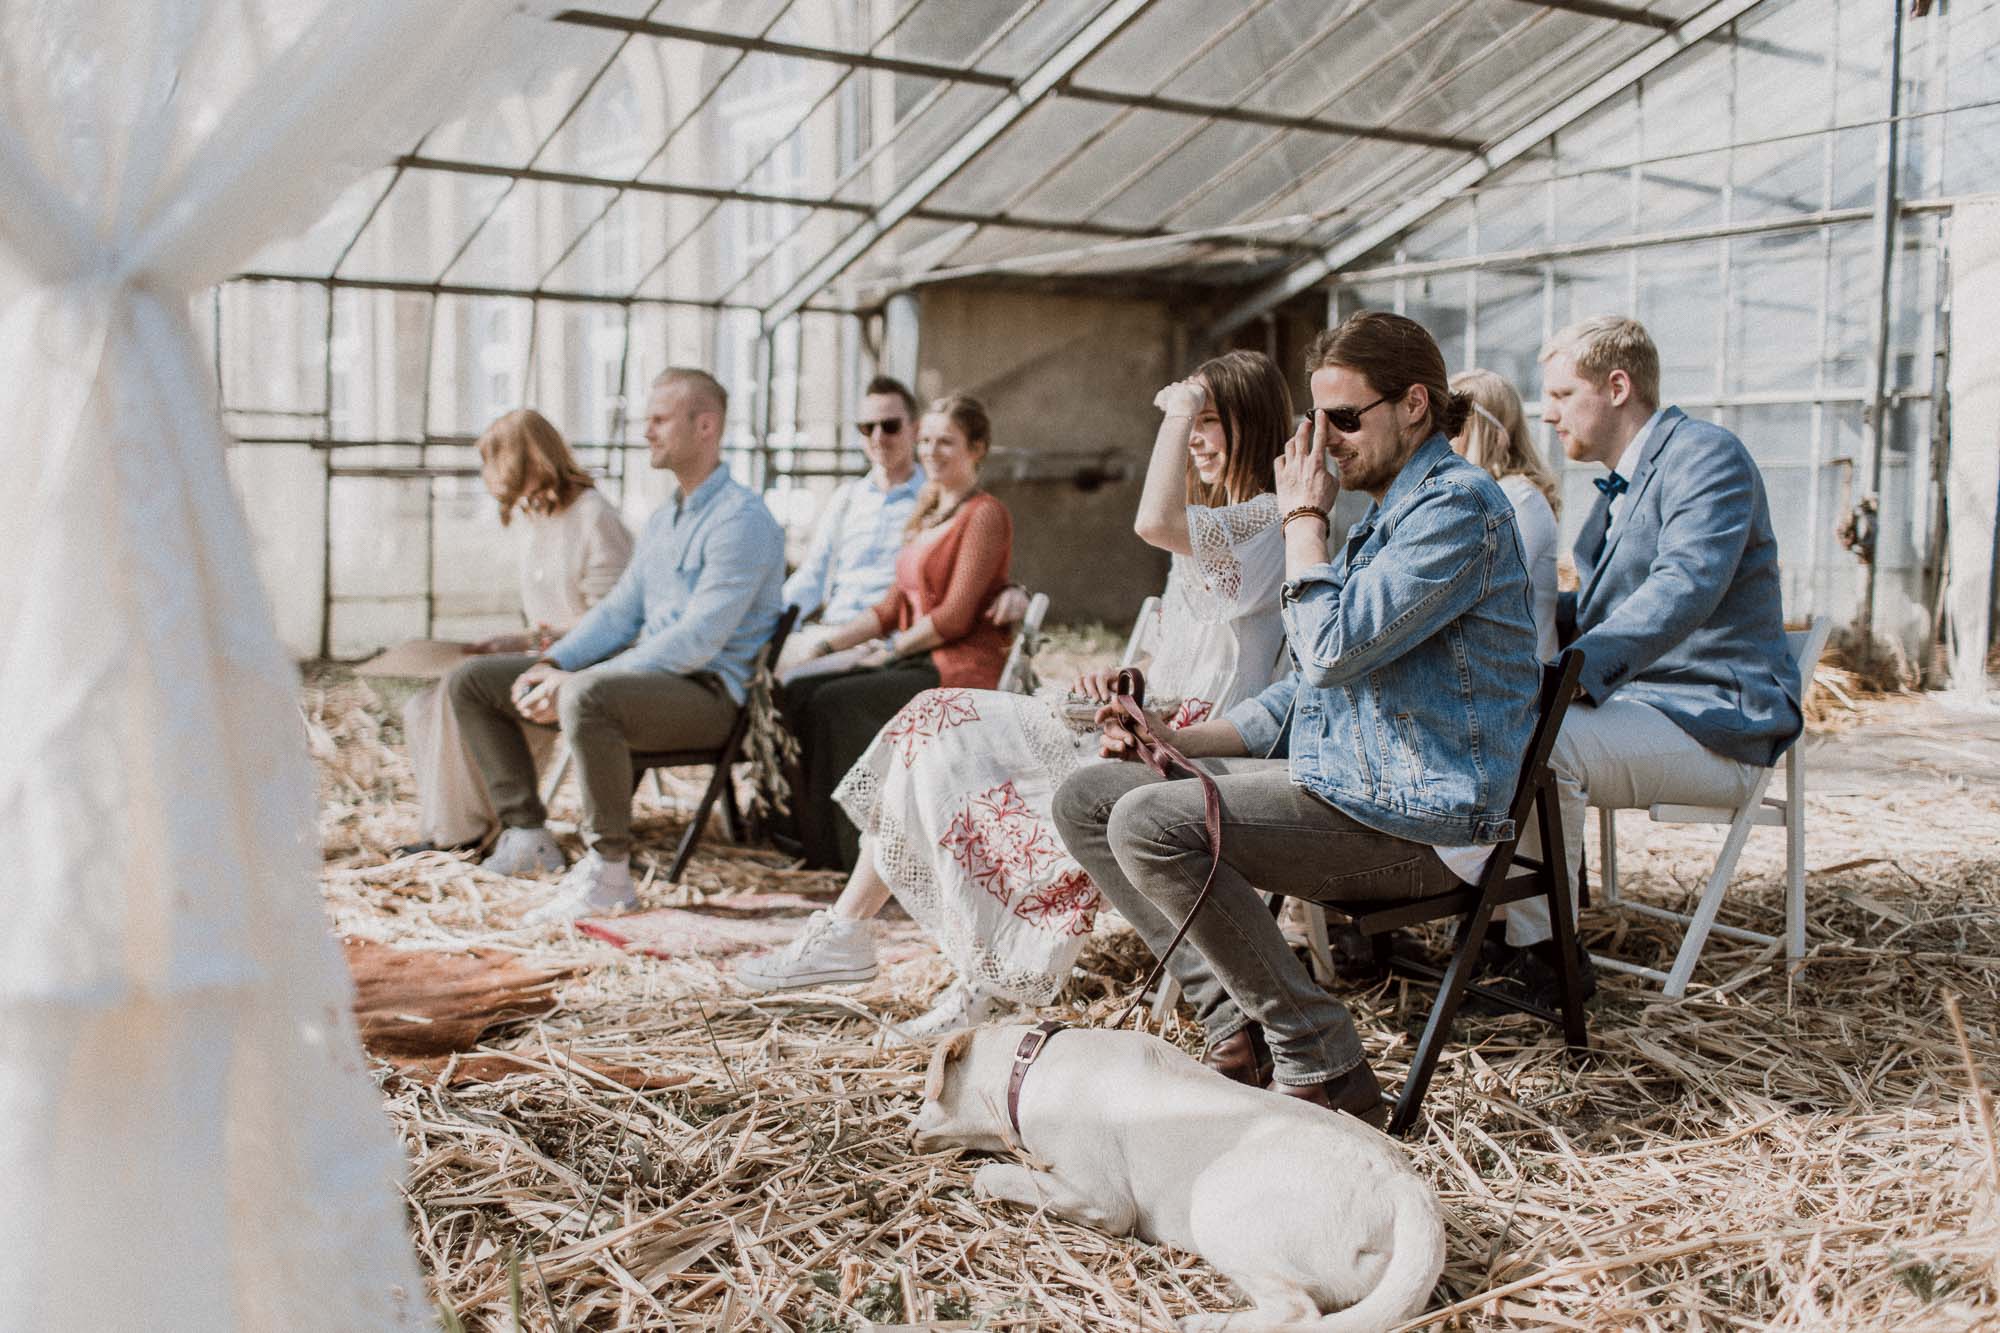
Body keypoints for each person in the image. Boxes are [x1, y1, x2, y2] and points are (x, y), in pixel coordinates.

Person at [1048, 312, 1541, 1124]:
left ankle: (1320, 1053)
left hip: (1420, 816)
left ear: (1415, 404)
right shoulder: (1390, 515)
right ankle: (1237, 1018)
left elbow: (1333, 647)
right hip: (1351, 780)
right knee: (1091, 797)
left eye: (1345, 420)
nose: (1326, 443)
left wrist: (1302, 521)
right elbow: (1302, 692)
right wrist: (1177, 740)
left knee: (1149, 824)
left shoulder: (1458, 509)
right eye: (1318, 422)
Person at [734, 352, 1296, 1038]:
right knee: (928, 725)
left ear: (1252, 425)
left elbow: (1151, 521)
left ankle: (974, 978)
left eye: (1213, 424)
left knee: (958, 752)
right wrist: (1124, 678)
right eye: (1195, 424)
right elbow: (1173, 649)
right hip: (1140, 717)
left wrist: (1178, 409)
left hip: (1189, 748)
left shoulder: (1264, 521)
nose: (1198, 439)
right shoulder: (1220, 523)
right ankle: (853, 931)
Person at [1496, 316, 1801, 995]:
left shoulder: (1706, 456)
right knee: (1509, 724)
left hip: (1719, 715)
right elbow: (1596, 608)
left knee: (1544, 743)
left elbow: (1682, 585)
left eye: (1561, 394)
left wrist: (1569, 672)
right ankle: (1505, 920)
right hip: (1651, 706)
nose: (1546, 414)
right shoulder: (1614, 491)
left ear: (1617, 385)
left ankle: (1548, 960)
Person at [444, 368, 785, 922]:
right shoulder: (665, 518)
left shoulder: (742, 520)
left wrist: (575, 680)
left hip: (709, 699)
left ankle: (609, 874)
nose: (646, 431)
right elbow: (617, 614)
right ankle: (527, 833)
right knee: (475, 682)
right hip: (650, 682)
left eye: (659, 419)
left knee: (586, 695)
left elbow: (697, 640)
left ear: (706, 425)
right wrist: (553, 661)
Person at [777, 394, 1013, 872]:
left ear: (978, 448)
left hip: (955, 669)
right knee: (798, 690)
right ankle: (807, 838)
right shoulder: (927, 510)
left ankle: (852, 854)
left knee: (834, 704)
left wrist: (883, 655)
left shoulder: (984, 513)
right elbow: (889, 607)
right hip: (914, 659)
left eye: (946, 442)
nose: (931, 451)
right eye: (925, 439)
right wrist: (826, 646)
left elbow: (954, 618)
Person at [398, 409, 633, 855]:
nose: (488, 475)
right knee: (421, 707)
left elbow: (614, 619)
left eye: (493, 460)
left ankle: (464, 834)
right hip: (546, 652)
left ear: (523, 458)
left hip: (586, 660)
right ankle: (450, 827)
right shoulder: (539, 519)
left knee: (457, 691)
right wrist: (515, 640)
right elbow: (548, 618)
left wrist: (537, 642)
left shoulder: (594, 516)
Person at [778, 376, 927, 669]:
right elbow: (812, 576)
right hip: (831, 631)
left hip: (890, 642)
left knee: (797, 683)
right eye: (867, 427)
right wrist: (762, 620)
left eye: (890, 426)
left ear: (915, 429)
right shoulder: (847, 498)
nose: (878, 437)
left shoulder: (933, 499)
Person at [1451, 369, 1561, 661]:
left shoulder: (1519, 499)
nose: (1440, 436)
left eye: (1453, 424)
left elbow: (1468, 590)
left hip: (1514, 689)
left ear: (1491, 435)